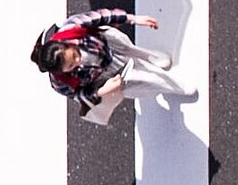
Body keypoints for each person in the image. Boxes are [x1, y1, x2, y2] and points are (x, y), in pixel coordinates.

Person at [29, 8, 192, 121]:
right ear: (61, 72)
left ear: (66, 44)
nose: (78, 61)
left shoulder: (71, 27)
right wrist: (102, 91)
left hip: (109, 45)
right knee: (147, 82)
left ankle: (151, 57)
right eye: (71, 66)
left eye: (74, 54)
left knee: (132, 51)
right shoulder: (60, 83)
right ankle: (175, 87)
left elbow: (102, 16)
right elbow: (80, 95)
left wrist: (133, 19)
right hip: (107, 76)